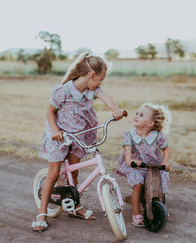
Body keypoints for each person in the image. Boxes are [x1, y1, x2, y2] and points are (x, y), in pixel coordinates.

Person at [32, 52, 125, 232]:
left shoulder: (91, 90)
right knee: (53, 174)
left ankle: (75, 205)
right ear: (91, 75)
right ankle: (42, 213)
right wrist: (55, 131)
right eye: (100, 79)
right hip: (59, 136)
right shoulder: (64, 91)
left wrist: (116, 110)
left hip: (79, 136)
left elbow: (104, 95)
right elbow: (50, 111)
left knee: (74, 174)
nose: (100, 83)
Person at [116, 102, 171, 227]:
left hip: (153, 166)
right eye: (136, 113)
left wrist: (165, 161)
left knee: (159, 184)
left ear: (150, 123)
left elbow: (166, 149)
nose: (136, 116)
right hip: (136, 166)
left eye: (141, 115)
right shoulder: (129, 135)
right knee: (138, 184)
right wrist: (130, 161)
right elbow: (127, 149)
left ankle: (160, 208)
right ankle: (136, 214)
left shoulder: (157, 136)